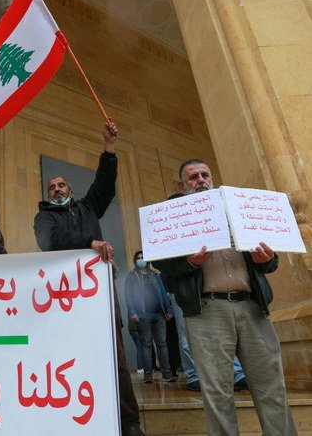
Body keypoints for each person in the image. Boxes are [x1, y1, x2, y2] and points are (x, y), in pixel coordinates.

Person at [152, 159, 297, 436]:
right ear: (183, 186)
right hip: (207, 311)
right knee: (218, 392)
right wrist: (190, 262)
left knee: (272, 387)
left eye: (205, 175)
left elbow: (271, 262)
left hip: (252, 308)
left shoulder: (239, 211)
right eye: (193, 177)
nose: (201, 180)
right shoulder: (176, 218)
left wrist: (266, 259)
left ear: (213, 179)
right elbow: (165, 267)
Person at [33, 121, 146, 436]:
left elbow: (105, 185)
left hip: (99, 293)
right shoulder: (43, 217)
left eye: (61, 186)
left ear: (70, 190)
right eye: (51, 187)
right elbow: (49, 242)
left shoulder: (87, 208)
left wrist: (109, 150)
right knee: (72, 355)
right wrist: (89, 244)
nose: (56, 189)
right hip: (64, 297)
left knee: (116, 355)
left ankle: (130, 422)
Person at [164, 193, 248, 392]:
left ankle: (236, 373)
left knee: (223, 336)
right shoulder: (168, 232)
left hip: (203, 290)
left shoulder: (202, 226)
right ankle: (193, 374)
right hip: (180, 290)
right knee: (186, 337)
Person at [125, 251, 175, 383]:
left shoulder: (154, 275)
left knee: (162, 344)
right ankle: (148, 374)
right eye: (138, 259)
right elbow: (128, 296)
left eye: (143, 258)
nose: (141, 260)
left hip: (158, 314)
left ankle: (166, 373)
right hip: (142, 316)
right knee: (146, 345)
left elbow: (162, 293)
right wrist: (132, 312)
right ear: (135, 261)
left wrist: (168, 309)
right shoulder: (131, 276)